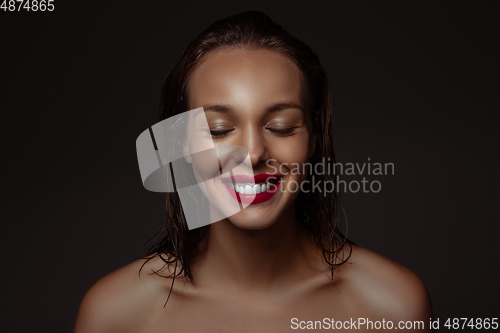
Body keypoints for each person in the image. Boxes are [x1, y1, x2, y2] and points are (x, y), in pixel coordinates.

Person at [75, 11, 433, 332]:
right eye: (218, 130)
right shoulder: (115, 314)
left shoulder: (393, 306)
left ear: (313, 137)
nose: (253, 153)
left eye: (281, 126)